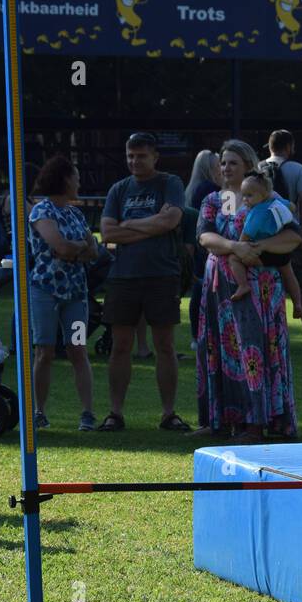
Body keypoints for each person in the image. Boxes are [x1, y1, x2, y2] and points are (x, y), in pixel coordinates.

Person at [195, 138, 302, 441]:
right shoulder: (215, 201)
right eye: (223, 162)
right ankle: (222, 421)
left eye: (233, 162)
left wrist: (259, 247)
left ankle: (255, 423)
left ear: (249, 167)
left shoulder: (270, 199)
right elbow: (205, 238)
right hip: (220, 290)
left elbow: (293, 236)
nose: (226, 168)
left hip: (261, 291)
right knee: (218, 350)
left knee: (253, 353)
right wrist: (236, 247)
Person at [97, 131, 192, 433]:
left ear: (154, 157)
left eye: (140, 155)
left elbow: (171, 221)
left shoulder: (169, 183)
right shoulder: (119, 189)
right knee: (120, 346)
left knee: (164, 345)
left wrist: (129, 226)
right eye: (130, 156)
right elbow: (108, 233)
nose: (134, 161)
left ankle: (168, 413)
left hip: (162, 274)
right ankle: (115, 413)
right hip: (123, 276)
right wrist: (152, 226)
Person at [28, 155, 98, 431]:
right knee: (44, 351)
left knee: (78, 349)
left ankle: (88, 413)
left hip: (76, 294)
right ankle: (39, 412)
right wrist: (79, 246)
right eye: (76, 176)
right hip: (45, 291)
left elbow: (93, 252)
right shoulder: (41, 212)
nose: (79, 182)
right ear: (65, 178)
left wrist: (75, 248)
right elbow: (61, 247)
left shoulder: (76, 213)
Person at [264, 129, 302, 351]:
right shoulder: (297, 168)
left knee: (264, 286)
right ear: (289, 146)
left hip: (265, 237)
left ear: (270, 146)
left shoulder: (258, 168)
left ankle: (267, 339)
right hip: (290, 235)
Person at [231, 168, 302, 316]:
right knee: (289, 274)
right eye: (243, 195)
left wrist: (239, 247)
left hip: (264, 253)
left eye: (249, 195)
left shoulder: (256, 213)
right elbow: (292, 206)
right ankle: (298, 304)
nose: (245, 199)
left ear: (263, 195)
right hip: (281, 249)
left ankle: (243, 285)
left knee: (234, 258)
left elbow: (245, 236)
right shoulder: (275, 201)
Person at [184, 149, 221, 351]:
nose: (221, 169)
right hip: (205, 245)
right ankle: (202, 335)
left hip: (196, 244)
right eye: (218, 165)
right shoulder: (209, 190)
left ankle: (196, 334)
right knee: (203, 289)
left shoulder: (192, 188)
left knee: (198, 289)